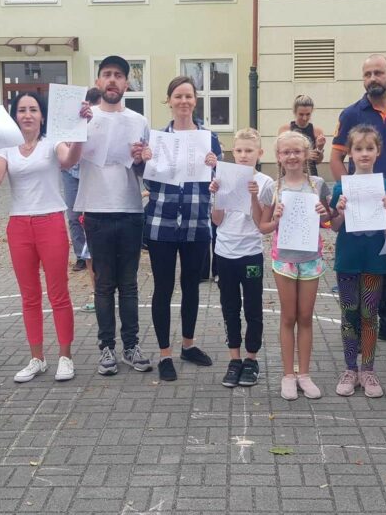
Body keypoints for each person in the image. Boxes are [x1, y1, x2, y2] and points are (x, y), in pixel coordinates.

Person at [0, 91, 91, 383]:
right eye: (22, 110)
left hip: (51, 221)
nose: (27, 115)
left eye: (33, 110)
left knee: (58, 294)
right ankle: (36, 358)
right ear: (15, 116)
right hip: (19, 226)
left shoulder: (53, 142)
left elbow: (69, 160)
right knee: (29, 296)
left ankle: (65, 357)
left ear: (42, 116)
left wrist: (79, 132)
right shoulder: (6, 148)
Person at [330, 54, 386, 344]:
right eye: (367, 73)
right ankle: (355, 321)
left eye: (378, 72)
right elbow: (335, 157)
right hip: (359, 208)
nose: (373, 78)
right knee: (361, 263)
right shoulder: (351, 113)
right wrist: (345, 190)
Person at [74, 55, 153, 376]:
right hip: (95, 209)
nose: (112, 80)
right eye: (106, 74)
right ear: (97, 81)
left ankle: (131, 346)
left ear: (126, 83)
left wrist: (141, 159)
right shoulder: (84, 116)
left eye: (118, 75)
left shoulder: (139, 121)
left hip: (131, 208)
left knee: (130, 285)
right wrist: (76, 125)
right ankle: (106, 347)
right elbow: (66, 160)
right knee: (104, 285)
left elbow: (146, 171)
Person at [140, 76, 221, 381]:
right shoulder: (158, 139)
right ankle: (164, 354)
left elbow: (218, 182)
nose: (184, 101)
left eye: (189, 96)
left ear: (195, 100)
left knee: (191, 286)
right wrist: (145, 161)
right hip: (161, 221)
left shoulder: (209, 139)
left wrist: (215, 165)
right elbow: (148, 182)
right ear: (169, 101)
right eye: (178, 96)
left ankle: (188, 344)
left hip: (197, 221)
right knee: (163, 287)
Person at [257, 130, 332, 400]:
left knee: (306, 317)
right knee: (288, 317)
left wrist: (326, 214)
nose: (292, 156)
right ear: (278, 156)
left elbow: (328, 221)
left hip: (310, 258)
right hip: (285, 259)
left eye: (297, 152)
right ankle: (288, 374)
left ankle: (305, 374)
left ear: (307, 155)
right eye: (286, 152)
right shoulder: (273, 188)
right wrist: (275, 219)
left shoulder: (318, 184)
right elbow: (263, 227)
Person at [329, 125, 386, 398]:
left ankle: (368, 370)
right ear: (350, 153)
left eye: (370, 148)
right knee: (349, 314)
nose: (364, 153)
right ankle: (349, 369)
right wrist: (341, 210)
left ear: (378, 152)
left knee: (370, 315)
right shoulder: (340, 187)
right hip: (348, 259)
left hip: (374, 261)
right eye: (359, 149)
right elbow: (334, 226)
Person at [209, 128, 272, 388]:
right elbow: (217, 220)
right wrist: (216, 195)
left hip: (251, 254)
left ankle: (251, 358)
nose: (244, 156)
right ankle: (234, 358)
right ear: (232, 153)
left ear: (259, 153)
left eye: (249, 151)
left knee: (253, 308)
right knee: (230, 307)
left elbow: (261, 224)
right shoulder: (223, 177)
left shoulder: (266, 182)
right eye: (239, 151)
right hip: (225, 252)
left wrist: (255, 195)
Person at [61, 87, 102, 280]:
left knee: (95, 214)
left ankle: (96, 253)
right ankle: (80, 255)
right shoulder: (73, 118)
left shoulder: (102, 121)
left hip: (91, 170)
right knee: (74, 215)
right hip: (71, 172)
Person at [278, 94, 326, 176]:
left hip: (310, 175)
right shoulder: (285, 130)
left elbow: (318, 161)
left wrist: (319, 149)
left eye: (308, 114)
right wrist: (306, 154)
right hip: (290, 174)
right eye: (301, 114)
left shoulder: (317, 131)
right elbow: (280, 156)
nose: (305, 118)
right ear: (294, 112)